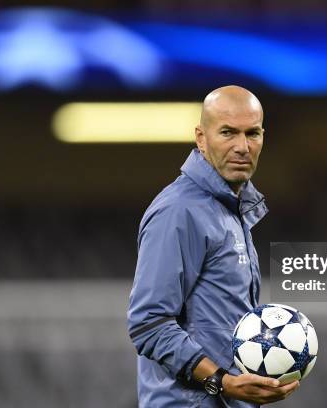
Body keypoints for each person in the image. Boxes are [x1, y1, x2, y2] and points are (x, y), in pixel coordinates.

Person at [127, 85, 300, 407]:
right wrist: (222, 381)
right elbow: (148, 323)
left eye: (253, 133)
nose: (242, 146)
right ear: (201, 137)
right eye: (228, 133)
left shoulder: (229, 212)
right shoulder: (180, 211)